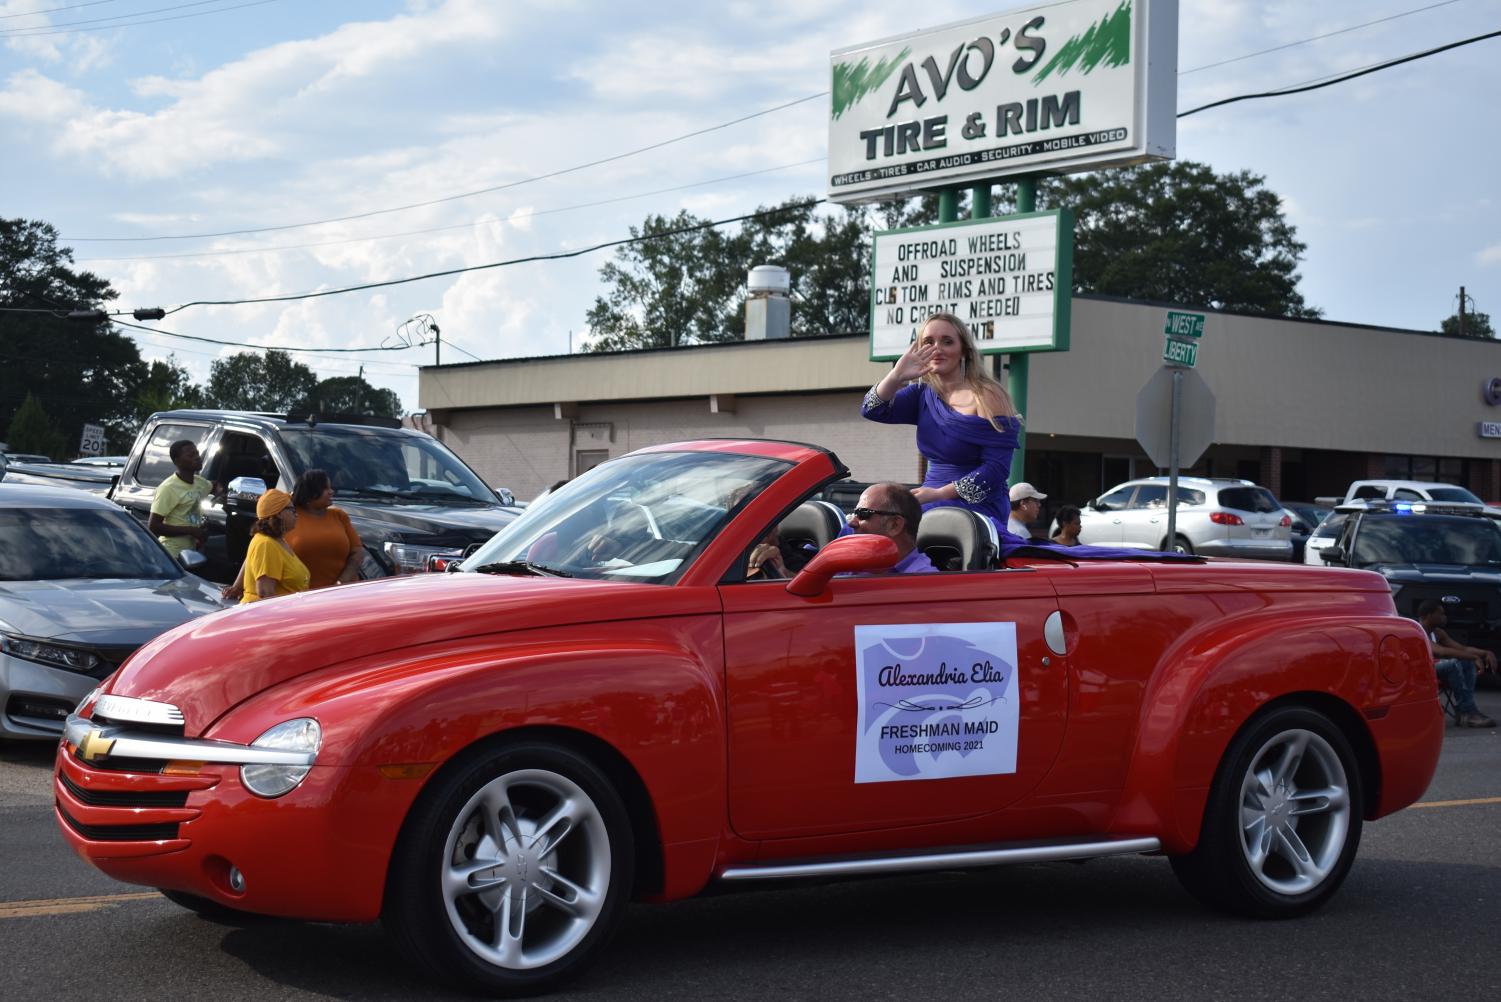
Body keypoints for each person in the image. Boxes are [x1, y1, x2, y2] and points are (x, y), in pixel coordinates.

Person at [862, 312, 1189, 562]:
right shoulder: (921, 393)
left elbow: (995, 472)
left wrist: (936, 495)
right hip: (928, 498)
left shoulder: (988, 396)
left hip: (976, 503)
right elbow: (872, 410)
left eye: (947, 341)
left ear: (963, 350)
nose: (937, 348)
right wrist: (896, 374)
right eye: (928, 341)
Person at [223, 469, 363, 598]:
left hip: (340, 594)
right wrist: (237, 586)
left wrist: (340, 584)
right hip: (303, 600)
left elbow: (357, 552)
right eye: (326, 488)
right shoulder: (283, 515)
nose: (332, 491)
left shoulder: (339, 515)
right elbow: (257, 556)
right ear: (311, 493)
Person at [1416, 600, 1497, 727]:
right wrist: (1473, 657)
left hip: (1435, 669)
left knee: (1466, 662)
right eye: (1441, 614)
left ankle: (1465, 710)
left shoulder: (1437, 632)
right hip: (1418, 672)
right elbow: (1441, 651)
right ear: (1429, 615)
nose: (1445, 617)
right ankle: (1468, 712)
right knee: (1453, 664)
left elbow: (1462, 649)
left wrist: (1485, 653)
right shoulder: (1417, 630)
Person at [843, 482, 937, 574]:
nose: (852, 523)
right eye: (854, 513)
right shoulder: (850, 568)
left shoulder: (923, 583)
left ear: (895, 525)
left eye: (862, 513)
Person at [148, 440, 220, 560]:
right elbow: (153, 526)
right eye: (191, 455)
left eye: (197, 453)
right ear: (177, 461)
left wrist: (220, 493)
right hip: (173, 555)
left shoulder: (200, 482)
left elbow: (215, 485)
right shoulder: (168, 488)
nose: (197, 457)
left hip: (192, 554)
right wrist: (191, 530)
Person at [239, 489, 311, 604]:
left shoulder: (277, 541)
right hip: (269, 617)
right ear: (279, 513)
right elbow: (265, 593)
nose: (296, 515)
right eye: (292, 510)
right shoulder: (266, 544)